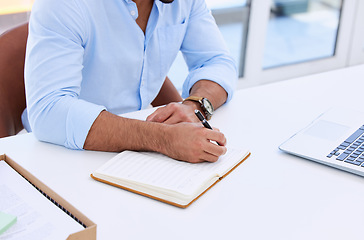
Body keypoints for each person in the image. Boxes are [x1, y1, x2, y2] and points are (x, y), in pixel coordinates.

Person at [24, 0, 237, 163]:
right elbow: (48, 111)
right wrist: (161, 139)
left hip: (139, 152)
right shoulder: (65, 4)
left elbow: (217, 61)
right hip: (63, 153)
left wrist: (195, 105)